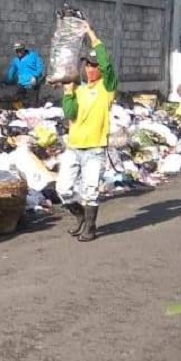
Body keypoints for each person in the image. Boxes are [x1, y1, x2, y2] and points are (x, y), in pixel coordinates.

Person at [57, 22, 117, 242]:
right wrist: (67, 94)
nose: (91, 69)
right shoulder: (79, 90)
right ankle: (80, 216)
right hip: (74, 147)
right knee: (63, 189)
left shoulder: (107, 88)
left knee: (90, 190)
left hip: (94, 148)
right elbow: (70, 114)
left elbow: (107, 64)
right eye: (87, 65)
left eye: (94, 65)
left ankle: (90, 227)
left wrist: (90, 33)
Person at [5, 42, 45, 107]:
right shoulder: (15, 60)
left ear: (24, 49)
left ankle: (32, 114)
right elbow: (11, 72)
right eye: (17, 50)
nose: (18, 52)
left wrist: (35, 76)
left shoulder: (33, 56)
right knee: (17, 102)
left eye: (20, 50)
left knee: (31, 105)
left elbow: (40, 67)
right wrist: (7, 82)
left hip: (32, 84)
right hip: (21, 84)